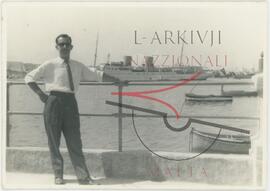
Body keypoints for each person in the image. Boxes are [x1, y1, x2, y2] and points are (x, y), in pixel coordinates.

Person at [24, 34, 105, 185]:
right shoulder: (50, 64)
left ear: (71, 47)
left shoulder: (77, 65)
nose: (65, 47)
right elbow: (29, 77)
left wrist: (118, 80)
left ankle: (83, 177)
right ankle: (58, 175)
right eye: (61, 44)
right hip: (53, 101)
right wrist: (41, 94)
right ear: (57, 47)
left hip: (70, 102)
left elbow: (97, 75)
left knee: (75, 140)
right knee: (54, 140)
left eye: (67, 44)